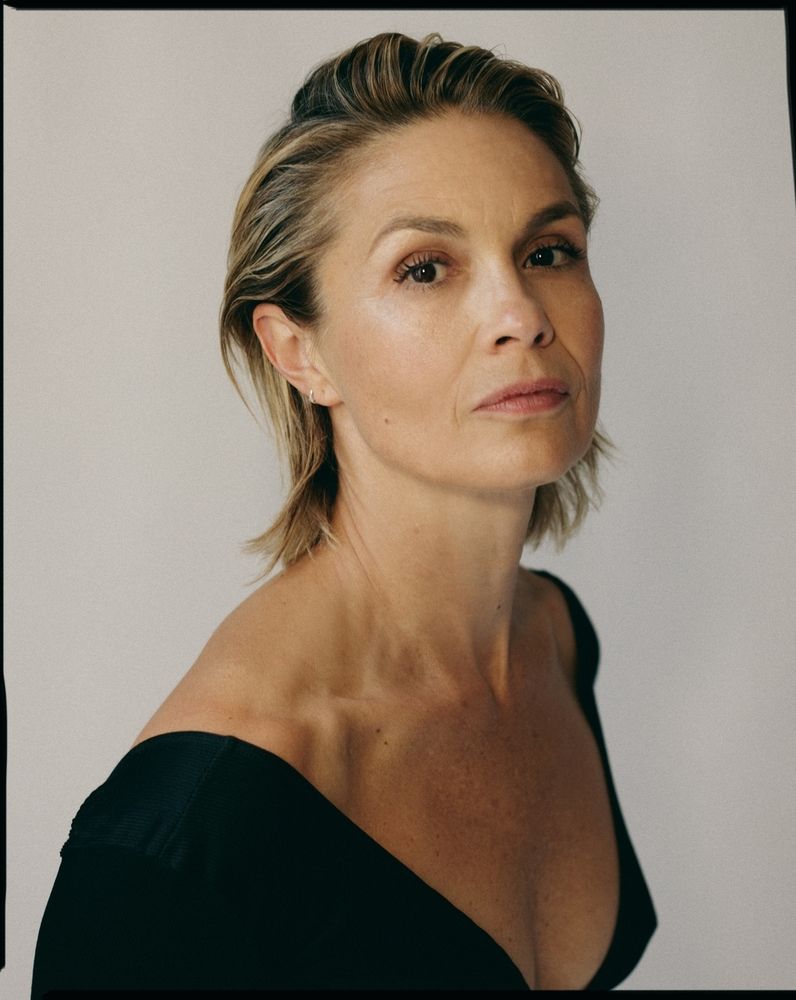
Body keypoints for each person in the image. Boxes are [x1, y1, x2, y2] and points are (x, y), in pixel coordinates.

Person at [31, 31, 657, 993]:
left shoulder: (554, 640)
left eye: (548, 251)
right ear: (299, 352)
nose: (523, 315)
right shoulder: (184, 843)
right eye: (425, 268)